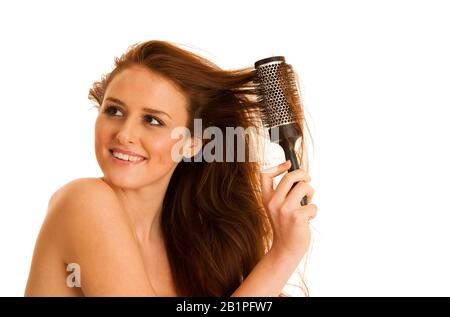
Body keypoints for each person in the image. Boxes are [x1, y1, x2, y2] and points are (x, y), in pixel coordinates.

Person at [24, 40, 317, 296]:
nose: (124, 133)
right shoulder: (83, 202)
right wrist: (283, 255)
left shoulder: (190, 243)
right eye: (114, 111)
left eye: (152, 120)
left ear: (192, 143)